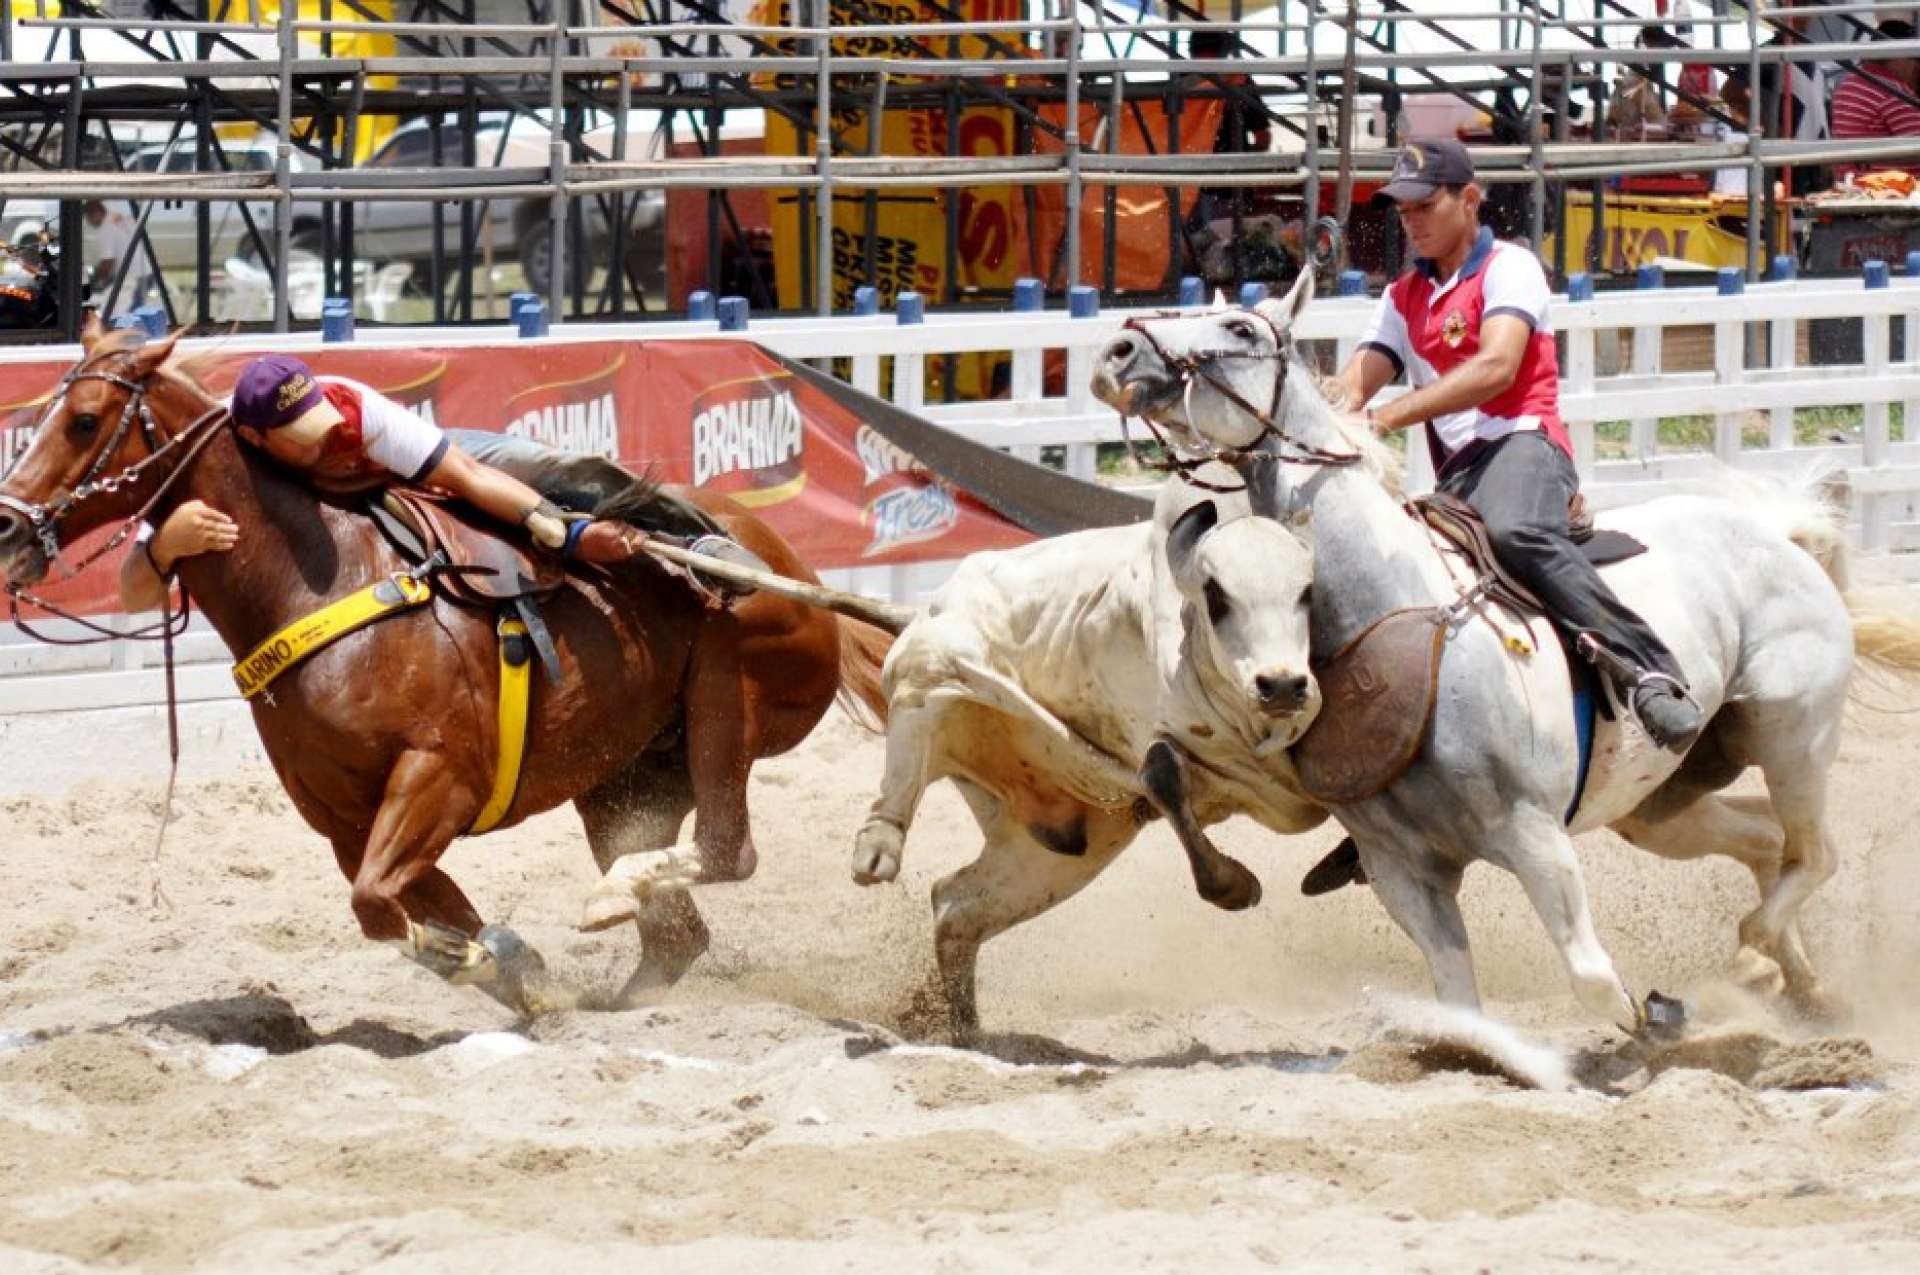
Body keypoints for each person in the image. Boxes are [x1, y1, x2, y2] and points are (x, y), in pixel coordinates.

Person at [1335, 139, 1704, 753]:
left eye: (1425, 205)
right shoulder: (1402, 297)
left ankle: (1650, 671)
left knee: (1514, 532)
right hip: (1463, 474)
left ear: (1469, 198)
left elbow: (1497, 367)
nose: (1411, 221)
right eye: (1402, 210)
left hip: (1525, 442)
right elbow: (1354, 384)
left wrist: (1387, 416)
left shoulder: (1510, 267)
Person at [120, 353, 743, 610]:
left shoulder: (354, 410)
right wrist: (162, 546)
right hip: (367, 498)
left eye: (316, 416)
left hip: (423, 465)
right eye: (300, 431)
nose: (321, 433)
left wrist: (560, 529)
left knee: (564, 473)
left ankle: (703, 544)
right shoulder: (221, 459)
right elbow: (132, 596)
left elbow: (466, 476)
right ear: (253, 437)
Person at [1828, 19, 1920, 180]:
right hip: (1888, 189)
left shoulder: (1849, 82)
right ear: (1898, 57)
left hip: (1851, 182)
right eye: (1914, 59)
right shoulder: (1892, 92)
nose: (1916, 69)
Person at [83, 199, 150, 316]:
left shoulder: (105, 229)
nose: (88, 221)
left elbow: (107, 263)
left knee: (128, 316)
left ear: (95, 213)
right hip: (146, 270)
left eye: (88, 217)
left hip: (133, 277)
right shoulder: (119, 218)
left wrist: (92, 282)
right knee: (134, 312)